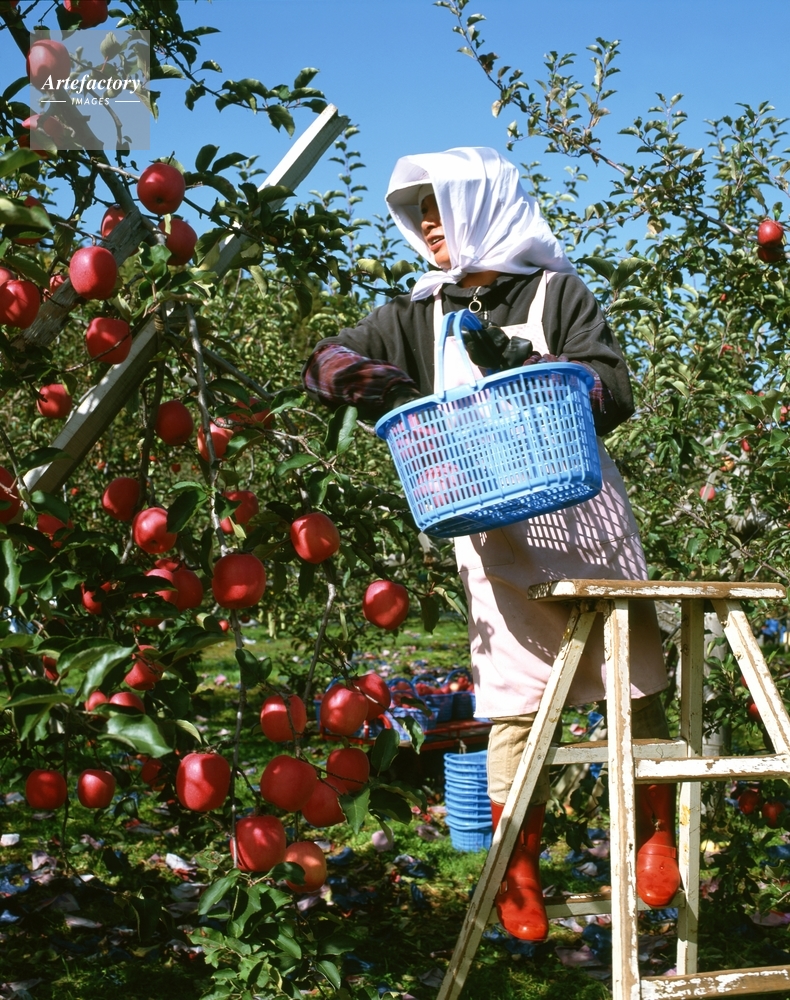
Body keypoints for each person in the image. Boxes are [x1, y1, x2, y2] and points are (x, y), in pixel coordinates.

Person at [303, 147, 680, 941]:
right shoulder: (417, 313)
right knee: (513, 701)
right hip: (491, 531)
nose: (429, 227)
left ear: (481, 205)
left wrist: (536, 368)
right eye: (419, 215)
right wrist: (373, 382)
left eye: (440, 207)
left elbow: (614, 390)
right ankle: (518, 867)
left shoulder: (553, 291)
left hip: (585, 519)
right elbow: (323, 359)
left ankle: (656, 833)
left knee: (636, 683)